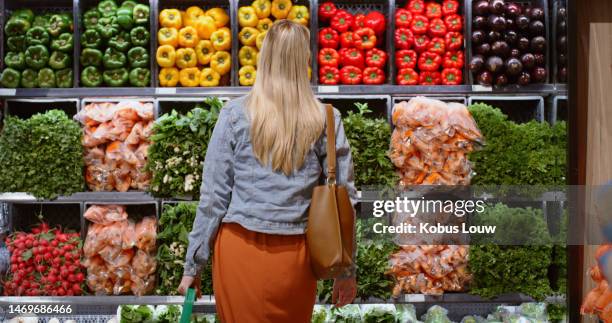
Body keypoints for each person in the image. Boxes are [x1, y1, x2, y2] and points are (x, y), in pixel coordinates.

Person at [178, 20, 358, 322]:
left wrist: (192, 266)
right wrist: (346, 271)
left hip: (238, 249)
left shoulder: (235, 114)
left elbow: (213, 198)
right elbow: (346, 201)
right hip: (297, 257)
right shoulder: (326, 118)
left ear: (265, 57)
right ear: (305, 60)